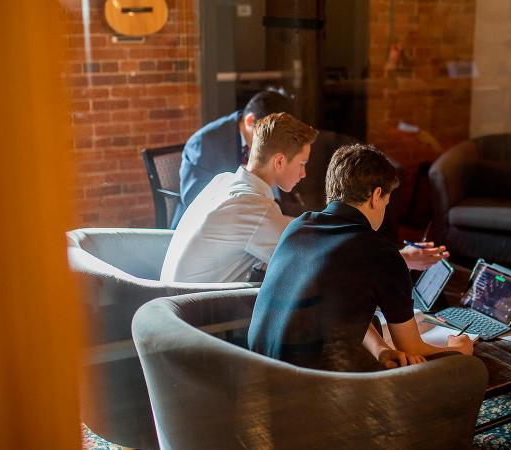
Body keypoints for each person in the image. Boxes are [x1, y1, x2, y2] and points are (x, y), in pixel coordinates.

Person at [248, 144, 473, 372]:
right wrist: (459, 349)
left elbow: (336, 308)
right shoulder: (381, 253)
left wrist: (380, 349)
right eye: (387, 200)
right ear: (376, 196)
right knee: (466, 368)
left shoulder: (298, 226)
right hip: (310, 386)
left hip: (260, 370)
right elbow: (414, 350)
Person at [161, 112, 318, 284]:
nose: (303, 174)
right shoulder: (253, 206)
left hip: (173, 297)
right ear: (279, 161)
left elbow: (277, 227)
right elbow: (306, 259)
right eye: (302, 164)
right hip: (196, 305)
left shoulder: (223, 180)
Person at [171, 90, 294, 228]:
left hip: (257, 221)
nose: (276, 144)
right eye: (270, 135)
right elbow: (194, 198)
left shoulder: (269, 147)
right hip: (205, 228)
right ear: (250, 121)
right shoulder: (205, 143)